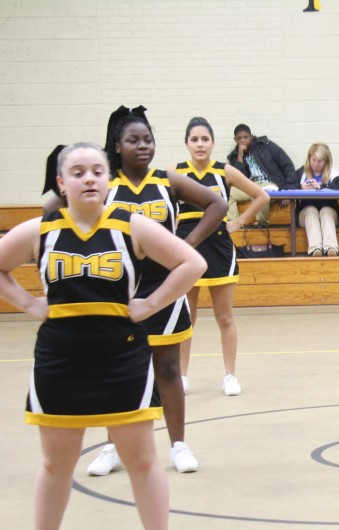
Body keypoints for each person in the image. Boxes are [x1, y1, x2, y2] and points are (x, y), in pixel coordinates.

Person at [2, 142, 207, 530]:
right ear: (61, 182)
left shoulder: (129, 226)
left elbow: (192, 262)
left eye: (97, 170)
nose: (89, 178)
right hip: (59, 358)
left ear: (108, 180)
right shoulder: (41, 230)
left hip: (122, 355)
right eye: (78, 172)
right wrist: (27, 304)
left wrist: (151, 302)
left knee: (142, 459)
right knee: (56, 464)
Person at [85, 109, 227, 477]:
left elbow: (218, 204)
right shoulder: (106, 185)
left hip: (164, 288)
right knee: (119, 370)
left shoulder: (167, 180)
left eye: (147, 139)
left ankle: (179, 445)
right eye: (134, 140)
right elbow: (59, 206)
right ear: (117, 146)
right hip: (119, 291)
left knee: (167, 369)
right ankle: (113, 446)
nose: (143, 145)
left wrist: (188, 246)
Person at [178, 117, 270, 398]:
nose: (200, 144)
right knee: (185, 318)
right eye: (194, 139)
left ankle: (230, 375)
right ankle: (181, 376)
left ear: (213, 143)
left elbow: (261, 196)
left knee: (225, 316)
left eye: (205, 139)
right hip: (186, 248)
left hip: (218, 248)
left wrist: (238, 222)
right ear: (186, 144)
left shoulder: (224, 171)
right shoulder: (174, 173)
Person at [226, 124, 297, 226]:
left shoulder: (265, 145)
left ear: (251, 136)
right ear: (235, 140)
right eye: (239, 138)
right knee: (229, 192)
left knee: (259, 193)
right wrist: (240, 156)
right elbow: (238, 179)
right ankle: (235, 225)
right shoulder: (234, 156)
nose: (243, 141)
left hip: (269, 183)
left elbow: (287, 165)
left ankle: (261, 224)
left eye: (245, 137)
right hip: (251, 185)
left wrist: (288, 189)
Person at [296, 142, 339, 257]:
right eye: (313, 160)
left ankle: (331, 247)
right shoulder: (302, 172)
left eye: (319, 162)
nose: (315, 164)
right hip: (305, 215)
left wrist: (323, 186)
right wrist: (300, 187)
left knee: (325, 210)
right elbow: (285, 185)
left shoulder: (333, 172)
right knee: (311, 210)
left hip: (329, 213)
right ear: (309, 158)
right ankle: (315, 248)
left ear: (326, 162)